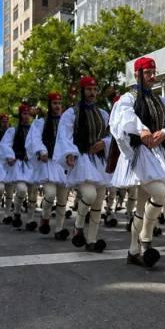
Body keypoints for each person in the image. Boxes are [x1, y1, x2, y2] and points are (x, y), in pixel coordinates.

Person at [110, 57, 165, 267]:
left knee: (142, 206)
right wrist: (141, 129)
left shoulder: (161, 102)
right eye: (147, 73)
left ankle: (134, 251)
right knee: (159, 193)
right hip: (139, 155)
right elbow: (123, 118)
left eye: (153, 72)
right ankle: (145, 240)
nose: (152, 76)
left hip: (156, 156)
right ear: (137, 75)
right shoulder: (128, 98)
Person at [56, 76, 113, 252]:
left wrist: (103, 143)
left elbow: (112, 134)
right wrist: (70, 153)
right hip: (82, 160)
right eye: (89, 90)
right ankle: (78, 226)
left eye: (95, 90)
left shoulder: (103, 114)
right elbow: (64, 135)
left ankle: (92, 240)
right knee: (89, 195)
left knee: (98, 203)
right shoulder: (71, 113)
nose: (92, 93)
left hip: (99, 161)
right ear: (82, 91)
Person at [28, 93, 70, 239]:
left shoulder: (67, 122)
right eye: (54, 103)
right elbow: (35, 139)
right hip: (48, 163)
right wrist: (42, 151)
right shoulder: (41, 123)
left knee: (63, 200)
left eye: (59, 103)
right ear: (49, 105)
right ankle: (45, 217)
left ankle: (59, 229)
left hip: (63, 164)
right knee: (50, 194)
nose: (57, 106)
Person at [0, 104, 34, 228]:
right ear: (20, 115)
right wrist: (10, 156)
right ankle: (17, 212)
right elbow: (5, 145)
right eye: (24, 114)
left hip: (32, 164)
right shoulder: (13, 130)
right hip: (19, 165)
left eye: (28, 114)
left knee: (32, 194)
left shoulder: (34, 130)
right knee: (21, 189)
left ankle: (30, 220)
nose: (26, 116)